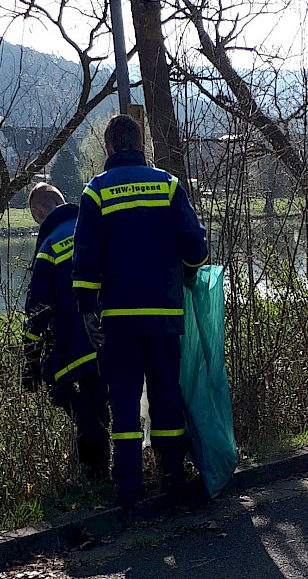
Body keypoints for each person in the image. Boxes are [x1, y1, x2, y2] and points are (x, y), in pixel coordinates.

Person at [71, 109, 209, 516]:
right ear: (142, 145)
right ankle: (173, 480)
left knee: (126, 403)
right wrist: (186, 272)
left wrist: (87, 312)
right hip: (165, 316)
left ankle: (128, 490)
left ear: (109, 146)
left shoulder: (96, 192)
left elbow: (86, 262)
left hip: (118, 321)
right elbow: (196, 247)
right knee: (167, 396)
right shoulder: (168, 186)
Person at [21, 179, 111, 483]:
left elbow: (37, 313)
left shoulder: (48, 248)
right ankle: (104, 474)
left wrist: (31, 361)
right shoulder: (94, 229)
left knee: (62, 391)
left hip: (71, 349)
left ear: (37, 213)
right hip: (107, 342)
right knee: (101, 401)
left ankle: (93, 470)